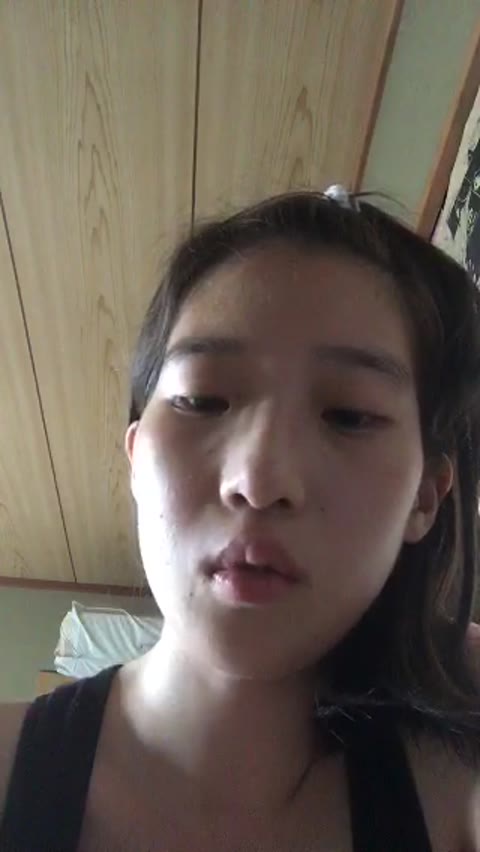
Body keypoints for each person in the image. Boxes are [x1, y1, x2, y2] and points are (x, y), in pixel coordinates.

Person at [1, 187, 480, 851]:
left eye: (349, 416)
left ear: (425, 498)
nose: (258, 481)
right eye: (202, 399)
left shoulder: (459, 794)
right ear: (136, 459)